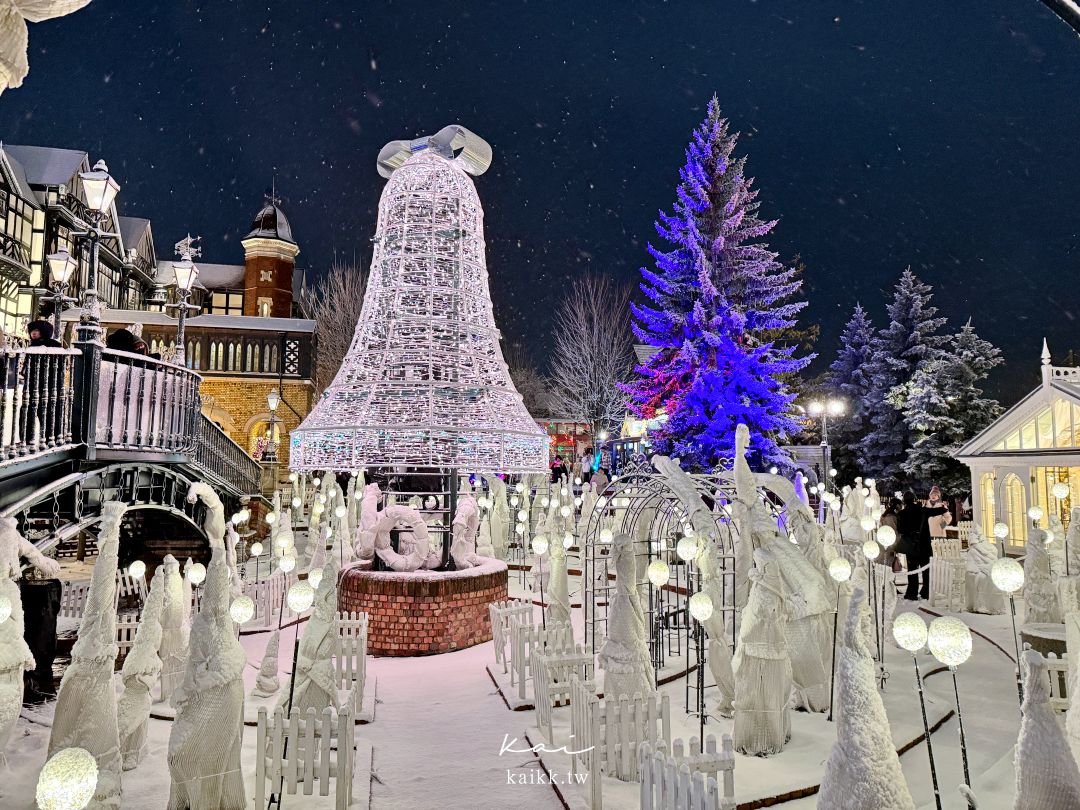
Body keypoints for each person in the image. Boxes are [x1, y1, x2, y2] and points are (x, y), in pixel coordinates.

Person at [896, 489, 950, 601]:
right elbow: (936, 512)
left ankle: (912, 592)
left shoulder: (902, 514)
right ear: (915, 499)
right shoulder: (922, 510)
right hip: (924, 544)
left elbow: (900, 529)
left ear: (904, 501)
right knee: (926, 570)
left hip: (911, 546)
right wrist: (944, 508)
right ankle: (926, 591)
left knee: (912, 571)